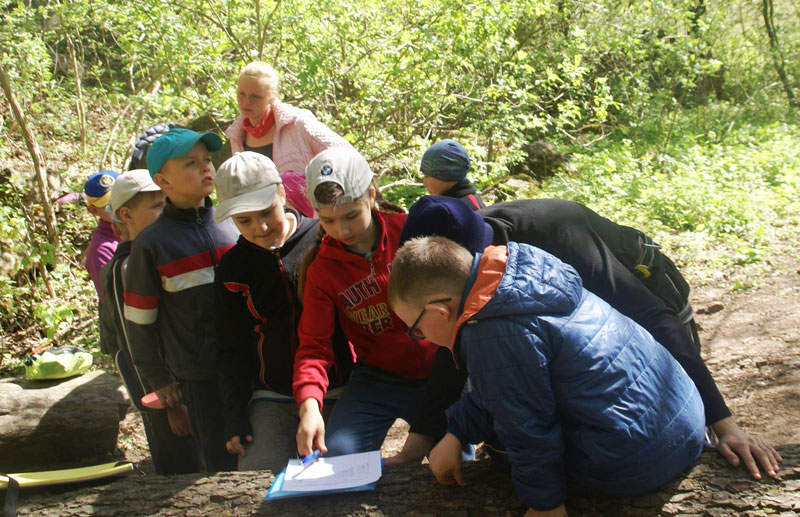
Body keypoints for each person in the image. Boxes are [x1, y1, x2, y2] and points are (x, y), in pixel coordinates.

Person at [391, 196, 782, 481]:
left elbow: (655, 321)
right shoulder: (466, 272)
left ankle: (695, 447)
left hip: (648, 302)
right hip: (587, 336)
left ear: (480, 252)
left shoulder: (553, 239)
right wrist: (419, 446)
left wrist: (724, 422)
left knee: (653, 411)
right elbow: (454, 349)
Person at [387, 235, 707, 515]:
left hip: (638, 459)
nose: (423, 338)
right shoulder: (516, 275)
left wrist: (544, 505)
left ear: (439, 312)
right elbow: (504, 381)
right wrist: (456, 432)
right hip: (684, 417)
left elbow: (524, 424)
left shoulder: (490, 329)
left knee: (502, 448)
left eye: (417, 330)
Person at [292, 148, 439, 458]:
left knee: (453, 462)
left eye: (350, 216)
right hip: (377, 378)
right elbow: (314, 346)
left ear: (371, 195)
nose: (342, 230)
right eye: (328, 220)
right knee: (339, 458)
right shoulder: (321, 269)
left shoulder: (410, 230)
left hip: (439, 370)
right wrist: (309, 405)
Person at [213, 151, 352, 471]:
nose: (260, 227)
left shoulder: (324, 239)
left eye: (266, 212)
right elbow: (230, 346)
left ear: (282, 193)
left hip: (340, 386)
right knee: (257, 481)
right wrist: (234, 415)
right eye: (243, 220)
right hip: (273, 396)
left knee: (343, 476)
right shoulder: (233, 267)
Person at [123, 128, 239, 472]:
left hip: (250, 368)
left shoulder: (232, 221)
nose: (206, 168)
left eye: (206, 160)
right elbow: (139, 324)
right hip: (200, 378)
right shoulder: (151, 244)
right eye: (191, 163)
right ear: (163, 181)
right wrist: (159, 380)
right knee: (221, 465)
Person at [99, 169, 200, 475]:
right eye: (156, 206)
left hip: (189, 387)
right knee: (180, 470)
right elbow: (133, 345)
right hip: (163, 396)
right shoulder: (124, 268)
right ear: (126, 215)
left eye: (166, 202)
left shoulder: (163, 251)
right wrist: (167, 403)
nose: (165, 211)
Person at [225, 61, 353, 217]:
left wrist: (326, 193)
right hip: (268, 227)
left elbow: (347, 156)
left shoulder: (297, 124)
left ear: (272, 97)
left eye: (255, 97)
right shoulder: (236, 136)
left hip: (313, 222)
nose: (246, 102)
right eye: (241, 94)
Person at [83, 170, 121, 298]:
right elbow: (113, 300)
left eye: (119, 197)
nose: (117, 205)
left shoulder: (141, 222)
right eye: (107, 203)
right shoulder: (100, 249)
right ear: (93, 210)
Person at [420, 139, 485, 210]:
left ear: (444, 175)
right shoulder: (449, 203)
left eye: (427, 176)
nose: (424, 183)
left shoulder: (466, 210)